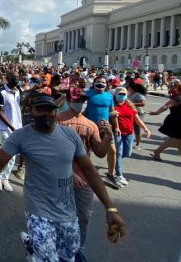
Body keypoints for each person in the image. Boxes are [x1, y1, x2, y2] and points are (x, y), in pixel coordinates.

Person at [0, 93, 127, 261]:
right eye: (40, 109)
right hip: (38, 212)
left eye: (50, 109)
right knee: (49, 259)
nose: (46, 113)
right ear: (31, 112)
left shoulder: (69, 136)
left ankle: (32, 245)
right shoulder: (21, 136)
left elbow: (89, 170)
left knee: (69, 256)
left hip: (67, 213)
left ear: (56, 112)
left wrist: (110, 208)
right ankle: (35, 248)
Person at [57, 88, 113, 253]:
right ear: (67, 100)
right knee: (58, 216)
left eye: (82, 100)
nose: (79, 103)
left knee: (83, 216)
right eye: (76, 99)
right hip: (59, 176)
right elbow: (52, 152)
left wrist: (108, 136)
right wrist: (70, 173)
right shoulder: (57, 121)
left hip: (84, 177)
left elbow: (100, 152)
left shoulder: (90, 125)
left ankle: (78, 249)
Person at [84, 76, 121, 188]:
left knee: (113, 151)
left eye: (103, 82)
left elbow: (113, 113)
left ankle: (111, 174)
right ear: (94, 83)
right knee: (86, 152)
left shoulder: (109, 96)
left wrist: (117, 127)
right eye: (98, 82)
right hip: (90, 127)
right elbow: (83, 111)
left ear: (107, 84)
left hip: (105, 128)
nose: (101, 84)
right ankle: (86, 175)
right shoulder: (87, 94)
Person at [148, 83, 181, 166]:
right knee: (175, 139)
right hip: (178, 123)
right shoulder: (178, 98)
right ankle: (157, 151)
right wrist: (156, 112)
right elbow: (166, 106)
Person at [0, 72, 22, 192]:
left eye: (17, 76)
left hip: (17, 127)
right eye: (14, 76)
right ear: (8, 78)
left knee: (14, 156)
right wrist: (11, 126)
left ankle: (5, 178)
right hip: (5, 128)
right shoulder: (1, 92)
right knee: (6, 154)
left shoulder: (18, 90)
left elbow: (20, 106)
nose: (16, 78)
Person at [127, 82, 147, 150]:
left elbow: (143, 103)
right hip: (131, 113)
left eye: (129, 87)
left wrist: (131, 104)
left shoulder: (138, 94)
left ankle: (138, 144)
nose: (128, 88)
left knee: (137, 129)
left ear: (133, 88)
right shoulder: (130, 94)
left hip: (139, 113)